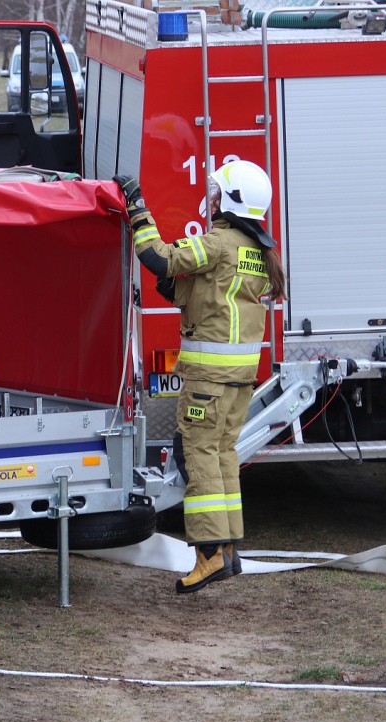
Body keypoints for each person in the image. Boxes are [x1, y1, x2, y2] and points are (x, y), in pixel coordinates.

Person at [115, 161, 287, 593]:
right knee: (223, 454)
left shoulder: (220, 242)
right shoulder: (256, 249)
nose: (210, 200)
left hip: (208, 379)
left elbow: (160, 258)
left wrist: (137, 207)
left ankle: (208, 554)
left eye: (216, 193)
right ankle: (228, 551)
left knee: (199, 456)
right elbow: (209, 295)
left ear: (229, 201)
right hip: (238, 379)